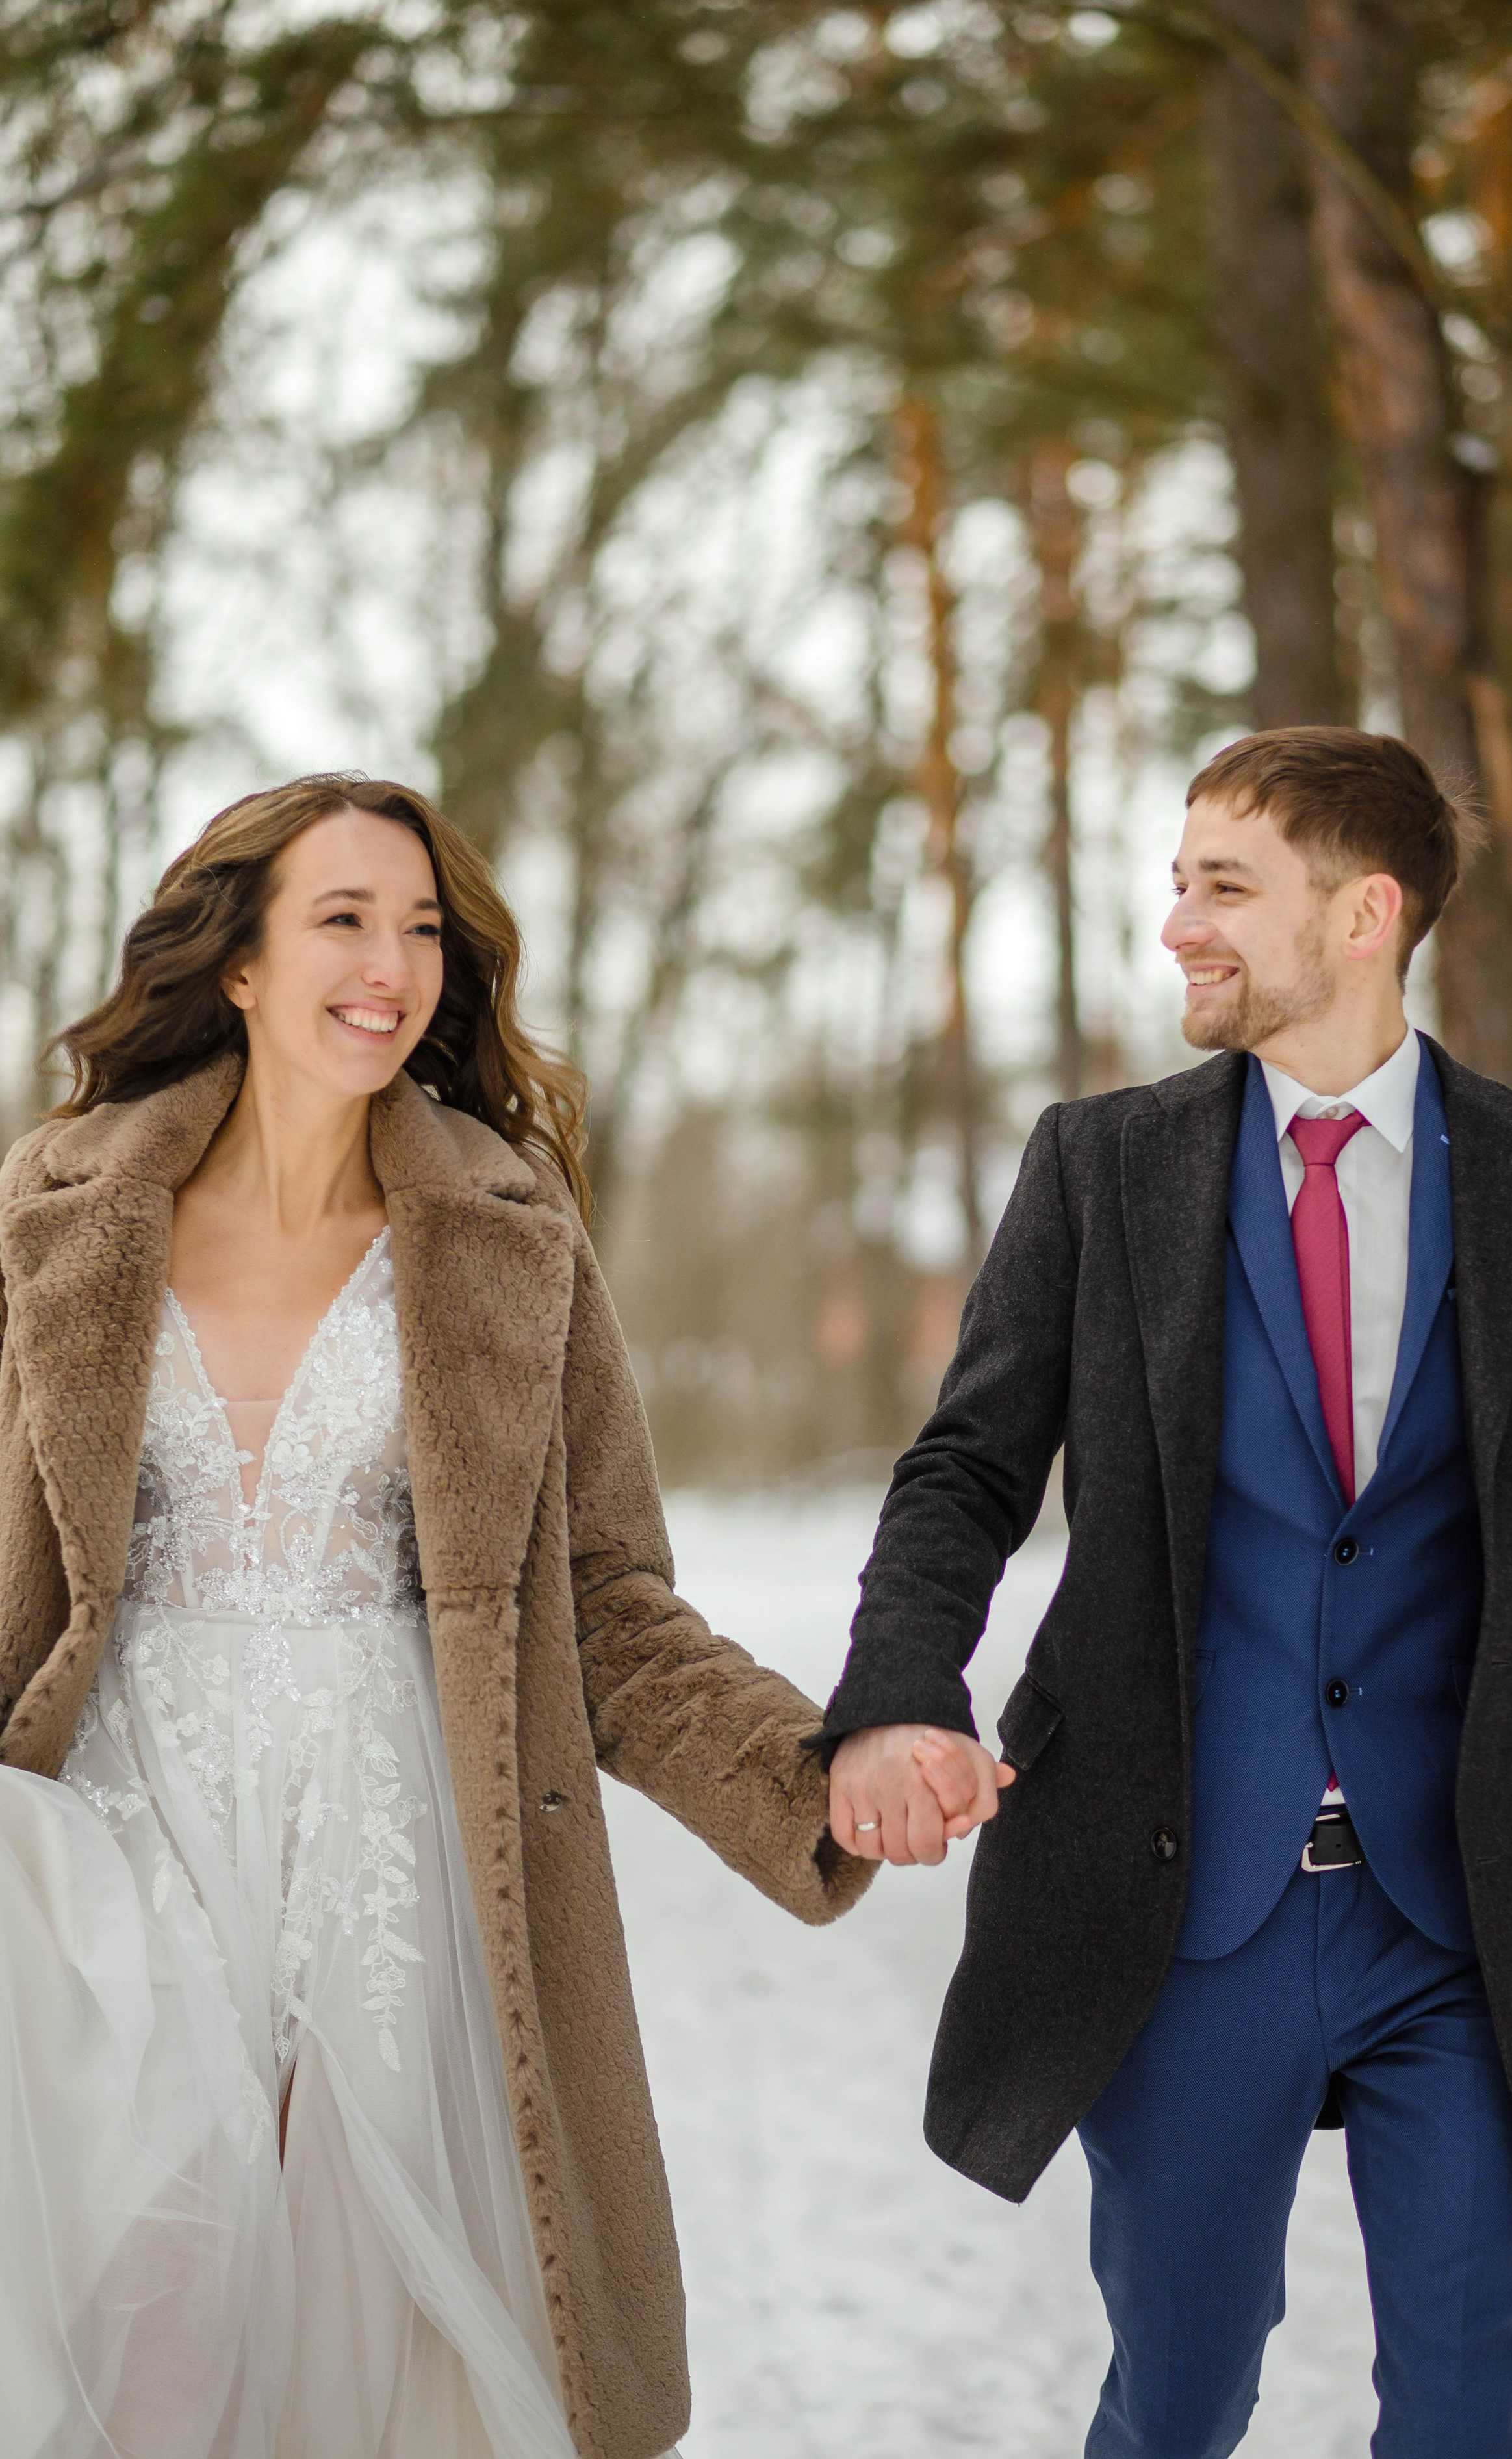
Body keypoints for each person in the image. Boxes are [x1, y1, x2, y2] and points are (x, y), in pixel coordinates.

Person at [0, 773, 872, 2459]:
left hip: (392, 1849)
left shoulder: (505, 1236)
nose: (392, 964)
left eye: (422, 932)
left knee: (359, 2343)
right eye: (342, 918)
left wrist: (803, 1775)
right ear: (236, 960)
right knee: (145, 2349)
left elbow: (610, 1599)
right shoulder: (60, 1216)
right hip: (120, 1841)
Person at [818, 725, 1512, 2457]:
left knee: (1460, 2404)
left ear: (1363, 915)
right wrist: (903, 1691)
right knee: (1182, 2396)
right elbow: (970, 1466)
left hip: (1476, 1908)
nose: (1175, 925)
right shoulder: (1102, 1167)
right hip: (1182, 1896)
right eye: (1175, 881)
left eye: (1223, 886)